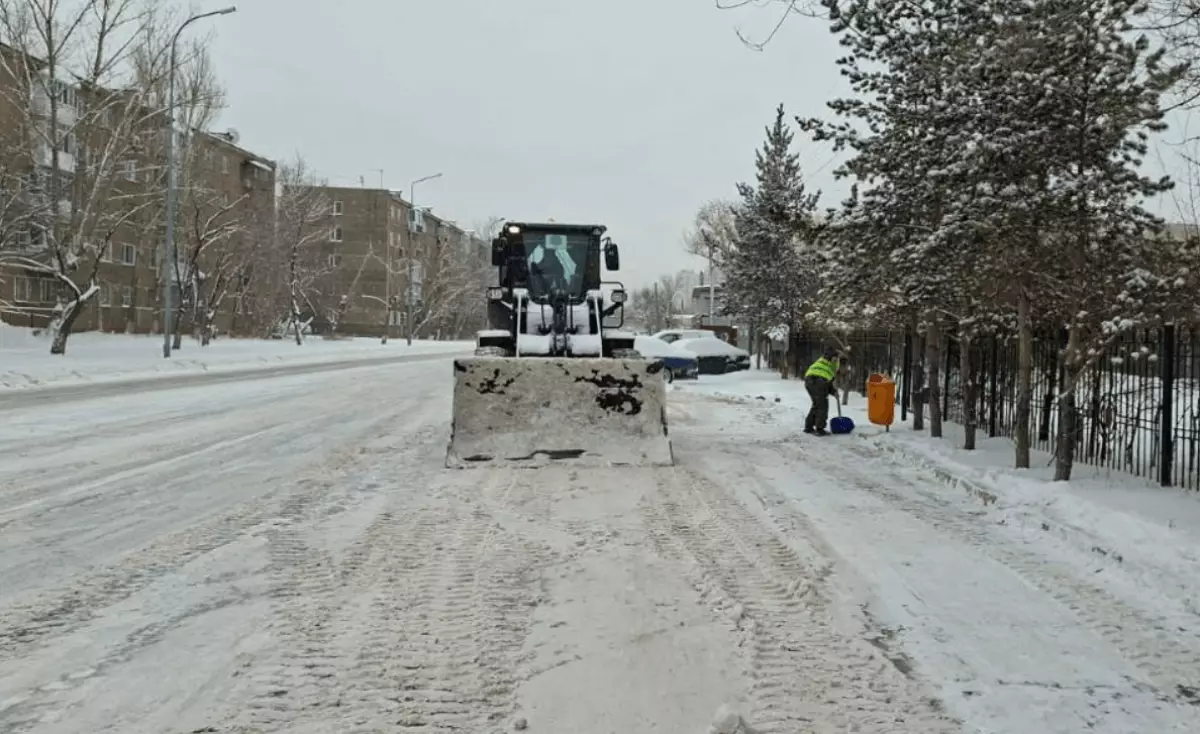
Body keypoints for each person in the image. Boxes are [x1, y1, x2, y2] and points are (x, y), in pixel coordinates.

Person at [804, 346, 841, 436]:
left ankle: (808, 427)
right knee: (822, 405)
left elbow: (827, 382)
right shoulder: (831, 365)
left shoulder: (822, 361)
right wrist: (833, 392)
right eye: (835, 357)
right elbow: (827, 382)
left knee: (817, 404)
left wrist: (833, 392)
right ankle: (819, 429)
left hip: (809, 381)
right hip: (818, 382)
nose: (836, 359)